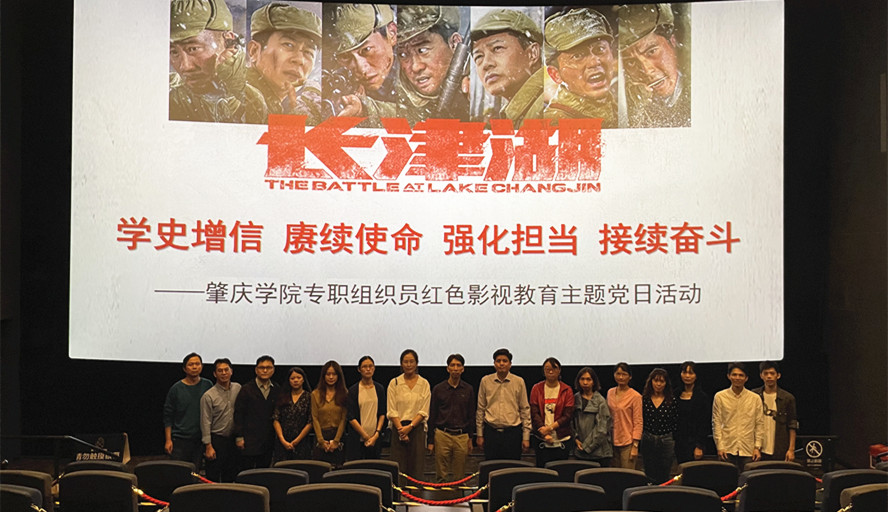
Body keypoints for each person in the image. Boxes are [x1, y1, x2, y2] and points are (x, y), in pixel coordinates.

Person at [169, 0, 253, 122]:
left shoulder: (264, 85)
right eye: (174, 52)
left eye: (193, 49)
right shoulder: (168, 95)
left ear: (228, 41)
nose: (184, 66)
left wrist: (242, 89)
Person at [244, 2, 324, 125]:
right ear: (254, 51)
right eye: (288, 45)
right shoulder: (241, 99)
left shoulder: (277, 105)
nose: (300, 60)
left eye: (308, 52)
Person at [325, 3, 401, 125]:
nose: (361, 68)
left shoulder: (414, 66)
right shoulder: (339, 78)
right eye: (346, 57)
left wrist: (364, 109)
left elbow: (413, 116)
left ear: (392, 33)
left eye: (366, 50)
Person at [618, 4, 690, 127]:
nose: (647, 70)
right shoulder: (626, 104)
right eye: (631, 62)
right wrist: (637, 110)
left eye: (651, 51)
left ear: (673, 41)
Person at [542, 8, 617, 127]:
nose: (594, 62)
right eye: (577, 56)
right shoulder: (555, 124)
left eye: (600, 49)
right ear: (555, 74)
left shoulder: (627, 101)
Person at [395, 5, 470, 124]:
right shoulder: (394, 97)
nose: (415, 67)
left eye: (422, 50)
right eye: (403, 55)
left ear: (454, 43)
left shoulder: (479, 85)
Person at [470, 9, 544, 127]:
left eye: (497, 48)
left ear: (532, 54)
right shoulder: (523, 110)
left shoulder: (546, 109)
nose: (486, 64)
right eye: (478, 56)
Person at [476, 348, 532, 460]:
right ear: (494, 364)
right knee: (492, 467)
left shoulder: (519, 382)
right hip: (491, 433)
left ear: (510, 364)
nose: (501, 364)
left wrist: (526, 437)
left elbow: (524, 409)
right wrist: (479, 434)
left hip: (512, 434)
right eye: (498, 361)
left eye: (505, 361)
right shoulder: (485, 381)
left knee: (512, 467)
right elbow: (480, 409)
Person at [427, 354, 475, 483]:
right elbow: (433, 415)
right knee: (441, 476)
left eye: (458, 365)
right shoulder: (438, 389)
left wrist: (470, 438)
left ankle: (457, 496)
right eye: (452, 365)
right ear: (447, 368)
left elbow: (471, 415)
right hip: (442, 435)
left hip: (462, 436)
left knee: (459, 477)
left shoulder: (468, 389)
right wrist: (431, 441)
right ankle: (441, 496)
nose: (455, 368)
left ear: (463, 369)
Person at [164, 353, 213, 470]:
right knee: (179, 472)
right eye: (191, 364)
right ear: (184, 368)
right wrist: (168, 440)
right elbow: (168, 416)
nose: (195, 367)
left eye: (197, 364)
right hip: (180, 440)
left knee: (195, 473)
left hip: (201, 440)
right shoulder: (176, 389)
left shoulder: (208, 385)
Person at [712, 362, 764, 471]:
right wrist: (720, 447)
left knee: (748, 479)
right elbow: (716, 423)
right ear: (728, 376)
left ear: (746, 378)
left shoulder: (755, 398)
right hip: (727, 448)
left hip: (748, 449)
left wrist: (757, 447)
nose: (737, 378)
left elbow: (759, 424)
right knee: (727, 479)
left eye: (741, 375)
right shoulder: (720, 397)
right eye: (734, 375)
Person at [387, 349, 431, 479]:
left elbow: (424, 410)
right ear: (401, 364)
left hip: (417, 429)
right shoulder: (394, 383)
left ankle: (415, 492)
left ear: (417, 363)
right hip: (398, 429)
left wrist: (410, 427)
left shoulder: (424, 383)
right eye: (405, 362)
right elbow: (391, 410)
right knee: (399, 469)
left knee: (416, 469)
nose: (409, 364)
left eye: (412, 361)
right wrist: (402, 430)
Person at [233, 355, 279, 470]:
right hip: (249, 440)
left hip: (268, 440)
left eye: (268, 368)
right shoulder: (246, 389)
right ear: (256, 370)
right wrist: (239, 437)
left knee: (263, 472)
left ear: (273, 370)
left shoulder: (276, 389)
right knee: (247, 472)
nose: (265, 370)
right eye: (262, 367)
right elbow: (239, 414)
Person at [200, 357, 242, 482]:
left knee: (231, 476)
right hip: (216, 440)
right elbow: (205, 422)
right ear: (214, 374)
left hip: (233, 440)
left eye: (226, 370)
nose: (224, 373)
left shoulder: (238, 388)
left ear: (231, 371)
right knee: (213, 476)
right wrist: (208, 446)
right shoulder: (208, 396)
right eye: (220, 371)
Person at [529, 357, 574, 467]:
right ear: (543, 371)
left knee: (561, 471)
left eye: (554, 368)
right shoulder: (536, 388)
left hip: (561, 439)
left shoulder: (567, 390)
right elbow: (534, 413)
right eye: (547, 369)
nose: (550, 371)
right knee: (542, 472)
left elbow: (568, 415)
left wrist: (549, 428)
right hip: (541, 439)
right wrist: (544, 432)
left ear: (559, 370)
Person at [752, 361, 799, 462]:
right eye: (766, 373)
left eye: (772, 373)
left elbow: (792, 425)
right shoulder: (754, 396)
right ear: (761, 376)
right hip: (757, 449)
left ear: (778, 375)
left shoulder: (787, 398)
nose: (769, 376)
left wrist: (791, 449)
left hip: (780, 449)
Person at [640, 368, 677, 484]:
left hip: (666, 439)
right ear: (651, 381)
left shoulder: (672, 400)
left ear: (666, 383)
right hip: (648, 437)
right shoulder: (644, 399)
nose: (659, 384)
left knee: (665, 471)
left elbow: (675, 420)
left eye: (662, 381)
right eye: (656, 381)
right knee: (648, 471)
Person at [346, 356, 388, 461]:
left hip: (375, 439)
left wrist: (376, 435)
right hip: (357, 439)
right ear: (359, 369)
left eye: (370, 366)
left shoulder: (379, 389)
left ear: (374, 368)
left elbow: (382, 413)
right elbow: (351, 417)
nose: (368, 369)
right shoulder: (353, 390)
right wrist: (365, 436)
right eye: (364, 367)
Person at [572, 367, 612, 465]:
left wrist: (586, 446)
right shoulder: (575, 399)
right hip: (579, 451)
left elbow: (602, 429)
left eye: (588, 379)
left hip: (599, 453)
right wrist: (576, 439)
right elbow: (571, 422)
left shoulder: (600, 401)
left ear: (593, 381)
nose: (585, 382)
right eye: (582, 379)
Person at [311, 360, 348, 467]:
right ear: (323, 376)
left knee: (338, 470)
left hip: (338, 436)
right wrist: (321, 441)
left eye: (334, 374)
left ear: (338, 376)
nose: (331, 377)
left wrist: (336, 441)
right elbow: (314, 417)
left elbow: (343, 419)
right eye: (328, 374)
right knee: (319, 470)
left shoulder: (344, 393)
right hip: (321, 436)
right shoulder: (315, 394)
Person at [272, 367, 313, 463]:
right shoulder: (282, 396)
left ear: (303, 379)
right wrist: (282, 440)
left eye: (298, 378)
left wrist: (296, 441)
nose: (296, 380)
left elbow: (310, 421)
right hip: (282, 442)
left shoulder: (309, 397)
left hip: (302, 442)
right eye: (292, 378)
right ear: (288, 380)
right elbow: (276, 419)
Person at [673, 361, 710, 463]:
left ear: (696, 376)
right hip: (678, 443)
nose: (687, 376)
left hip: (695, 444)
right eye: (684, 372)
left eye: (691, 373)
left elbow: (704, 423)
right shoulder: (675, 394)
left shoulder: (702, 397)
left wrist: (699, 446)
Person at [607, 362, 642, 469]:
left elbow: (638, 421)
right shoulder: (610, 392)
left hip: (628, 442)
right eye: (618, 374)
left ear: (630, 376)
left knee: (627, 474)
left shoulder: (635, 396)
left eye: (624, 374)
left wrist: (635, 446)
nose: (621, 377)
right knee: (613, 473)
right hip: (611, 441)